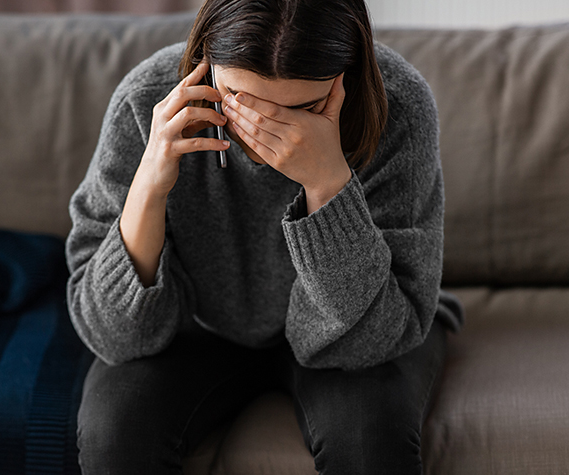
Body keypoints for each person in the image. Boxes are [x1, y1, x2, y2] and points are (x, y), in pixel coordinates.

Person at [65, 0, 464, 473]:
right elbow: (113, 336)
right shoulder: (146, 99)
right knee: (116, 435)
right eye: (239, 99)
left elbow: (374, 340)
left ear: (348, 74)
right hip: (197, 327)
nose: (264, 134)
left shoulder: (399, 106)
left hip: (358, 321)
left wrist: (327, 183)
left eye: (304, 108)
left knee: (366, 438)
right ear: (206, 61)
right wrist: (150, 185)